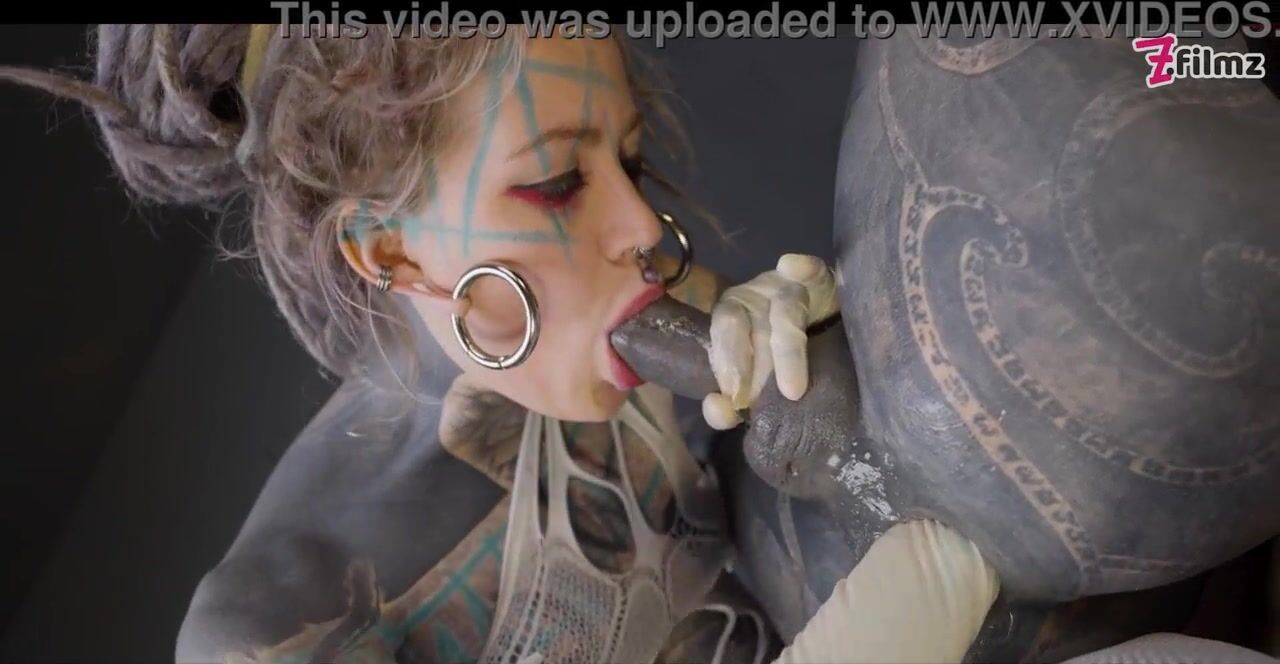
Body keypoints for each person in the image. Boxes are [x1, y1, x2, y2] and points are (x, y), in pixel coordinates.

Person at [0, 24, 854, 663]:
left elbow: (852, 506)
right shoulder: (283, 634)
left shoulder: (667, 346)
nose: (640, 229)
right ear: (388, 252)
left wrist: (838, 372)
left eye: (628, 164)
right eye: (557, 184)